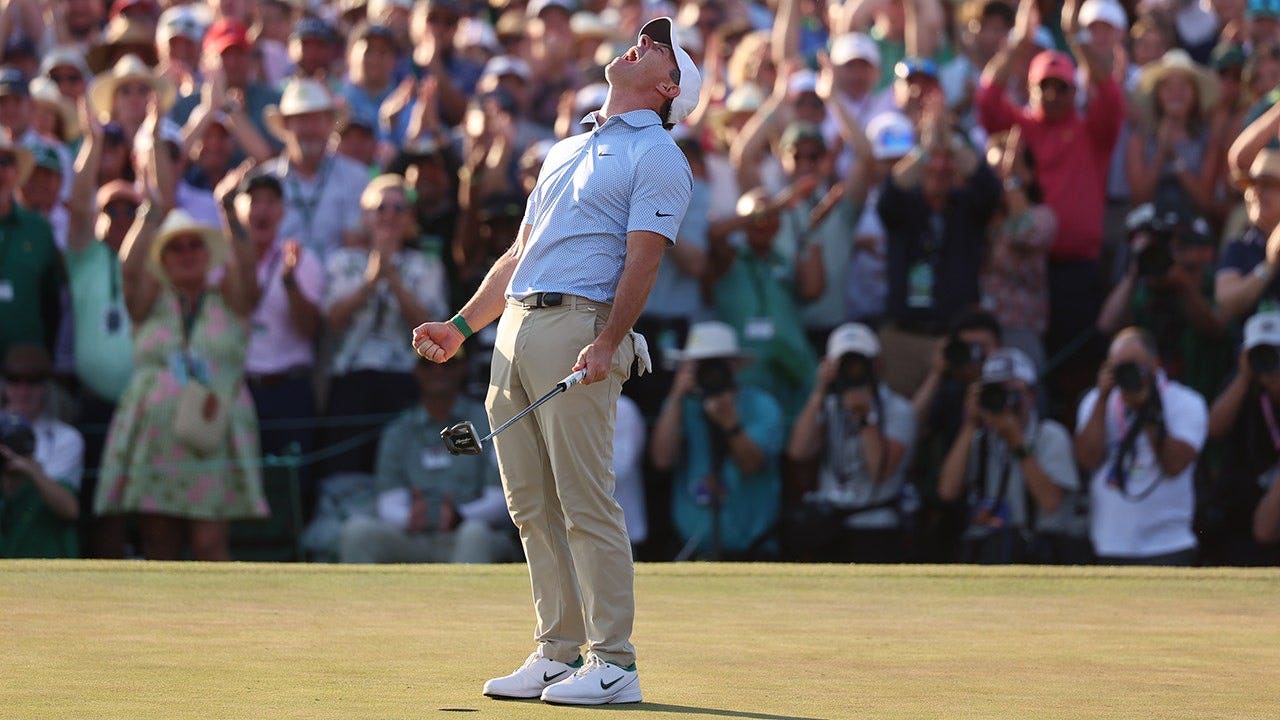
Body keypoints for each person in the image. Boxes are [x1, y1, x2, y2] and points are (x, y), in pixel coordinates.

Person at [411, 17, 700, 705]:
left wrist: (608, 340)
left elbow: (643, 261)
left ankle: (616, 663)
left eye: (658, 46)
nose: (641, 42)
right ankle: (556, 650)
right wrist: (461, 326)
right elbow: (520, 254)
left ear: (668, 87)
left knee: (584, 499)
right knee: (530, 504)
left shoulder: (659, 155)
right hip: (514, 326)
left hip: (580, 325)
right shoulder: (565, 148)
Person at [95, 110, 267, 562]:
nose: (187, 253)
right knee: (158, 542)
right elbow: (129, 268)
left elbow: (247, 269)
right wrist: (153, 208)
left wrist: (227, 208)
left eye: (195, 245)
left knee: (210, 542)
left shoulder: (229, 300)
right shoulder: (148, 303)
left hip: (214, 431)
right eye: (176, 248)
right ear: (163, 258)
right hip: (156, 435)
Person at [338, 352, 516, 564]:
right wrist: (408, 519)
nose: (438, 371)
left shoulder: (487, 421)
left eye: (448, 363)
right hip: (413, 536)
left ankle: (465, 587)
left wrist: (460, 516)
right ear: (416, 370)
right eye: (428, 364)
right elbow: (388, 501)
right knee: (357, 531)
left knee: (474, 533)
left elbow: (502, 500)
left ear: (463, 367)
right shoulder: (399, 431)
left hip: (467, 533)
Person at [322, 173, 444, 476]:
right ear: (365, 215)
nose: (389, 215)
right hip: (350, 379)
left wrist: (393, 278)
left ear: (410, 217)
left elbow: (430, 327)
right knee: (347, 472)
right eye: (380, 208)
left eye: (399, 208)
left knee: (398, 472)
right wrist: (371, 279)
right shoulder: (342, 262)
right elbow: (333, 321)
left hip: (403, 378)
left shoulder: (428, 265)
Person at [1074, 327, 1207, 565]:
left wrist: (1148, 413)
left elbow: (1175, 465)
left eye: (1133, 365)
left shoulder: (1186, 402)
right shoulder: (1095, 401)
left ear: (1155, 364)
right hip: (1108, 543)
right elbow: (1087, 459)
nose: (1127, 373)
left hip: (1168, 544)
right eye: (1119, 366)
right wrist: (1102, 399)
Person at [784, 323, 915, 562]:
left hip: (875, 525)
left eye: (859, 362)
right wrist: (819, 392)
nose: (853, 370)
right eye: (845, 363)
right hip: (828, 523)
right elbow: (798, 452)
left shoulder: (898, 409)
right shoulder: (829, 405)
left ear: (877, 364)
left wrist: (866, 418)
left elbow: (880, 471)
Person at [937, 348, 1080, 563]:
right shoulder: (979, 439)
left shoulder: (1050, 435)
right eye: (995, 392)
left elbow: (1050, 502)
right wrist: (970, 423)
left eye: (1012, 392)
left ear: (1031, 394)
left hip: (1036, 552)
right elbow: (947, 492)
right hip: (986, 549)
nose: (1004, 401)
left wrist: (1017, 442)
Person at [1204, 311, 1280, 563]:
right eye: (1258, 353)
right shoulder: (1240, 386)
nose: (1267, 361)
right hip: (1240, 511)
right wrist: (1244, 376)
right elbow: (1214, 429)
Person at [0, 345, 82, 558]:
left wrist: (30, 469)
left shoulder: (65, 438)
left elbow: (69, 510)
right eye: (15, 380)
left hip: (42, 550)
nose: (23, 390)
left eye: (33, 381)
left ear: (47, 387)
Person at [0, 127, 61, 362]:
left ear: (17, 172)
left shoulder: (39, 230)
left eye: (6, 162)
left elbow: (51, 304)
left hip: (27, 373)